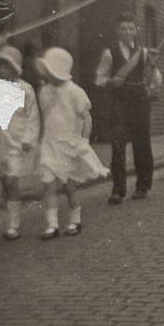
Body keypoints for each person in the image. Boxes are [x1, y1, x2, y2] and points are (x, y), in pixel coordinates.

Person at [36, 47, 108, 240]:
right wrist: (41, 139)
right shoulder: (45, 91)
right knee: (48, 185)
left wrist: (84, 141)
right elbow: (45, 118)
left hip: (68, 145)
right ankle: (52, 225)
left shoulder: (75, 92)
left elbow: (87, 118)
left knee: (68, 186)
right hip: (49, 145)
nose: (47, 74)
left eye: (50, 70)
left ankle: (75, 220)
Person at [96, 14, 161, 205]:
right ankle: (118, 190)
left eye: (131, 28)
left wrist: (153, 66)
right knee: (118, 145)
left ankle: (143, 186)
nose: (127, 32)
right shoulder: (110, 53)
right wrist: (110, 82)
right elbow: (99, 78)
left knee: (142, 143)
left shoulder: (144, 53)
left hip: (140, 102)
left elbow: (156, 81)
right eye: (123, 28)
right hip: (119, 102)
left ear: (136, 31)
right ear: (117, 31)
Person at [0, 46, 41, 240]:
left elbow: (33, 117)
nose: (2, 71)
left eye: (6, 66)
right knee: (5, 182)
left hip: (18, 142)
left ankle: (15, 223)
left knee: (11, 180)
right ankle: (13, 211)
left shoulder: (25, 89)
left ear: (15, 68)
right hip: (0, 141)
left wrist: (29, 138)